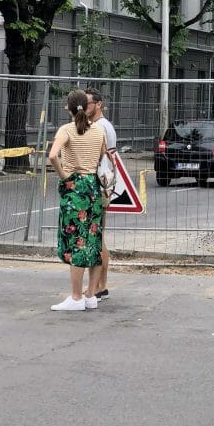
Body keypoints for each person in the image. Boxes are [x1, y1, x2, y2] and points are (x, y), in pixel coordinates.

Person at [49, 89, 108, 311]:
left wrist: (65, 176)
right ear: (87, 106)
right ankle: (91, 295)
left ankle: (75, 297)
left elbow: (53, 155)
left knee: (76, 241)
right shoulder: (99, 130)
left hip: (75, 189)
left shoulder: (67, 130)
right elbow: (103, 154)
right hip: (93, 187)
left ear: (68, 108)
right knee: (93, 239)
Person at [86, 88, 116, 301]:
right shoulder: (102, 126)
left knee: (95, 237)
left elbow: (97, 157)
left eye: (87, 103)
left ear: (98, 104)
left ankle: (98, 287)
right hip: (103, 184)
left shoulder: (100, 127)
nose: (84, 107)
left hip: (99, 185)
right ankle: (99, 286)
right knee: (97, 236)